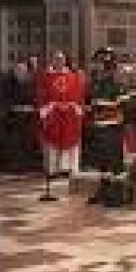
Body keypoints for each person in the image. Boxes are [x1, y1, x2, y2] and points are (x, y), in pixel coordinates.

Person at [87, 48, 134, 207]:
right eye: (96, 62)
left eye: (99, 62)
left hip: (113, 126)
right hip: (99, 125)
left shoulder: (117, 79)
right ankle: (105, 190)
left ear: (107, 63)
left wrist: (102, 105)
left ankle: (119, 194)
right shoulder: (97, 80)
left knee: (115, 161)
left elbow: (124, 102)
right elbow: (93, 100)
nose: (95, 65)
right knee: (103, 162)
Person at [35, 51, 86, 183]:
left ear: (65, 60)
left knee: (70, 138)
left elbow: (79, 94)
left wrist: (72, 106)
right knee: (52, 139)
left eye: (61, 59)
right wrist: (49, 107)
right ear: (52, 60)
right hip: (53, 114)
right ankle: (52, 169)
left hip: (70, 114)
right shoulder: (46, 77)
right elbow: (41, 94)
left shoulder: (74, 76)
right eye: (56, 59)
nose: (59, 61)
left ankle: (68, 168)